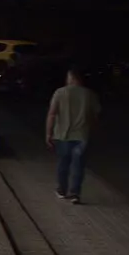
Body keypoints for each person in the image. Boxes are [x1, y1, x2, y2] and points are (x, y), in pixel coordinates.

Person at [46, 67, 101, 203]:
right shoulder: (90, 94)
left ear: (71, 77)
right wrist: (93, 131)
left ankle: (62, 190)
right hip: (82, 135)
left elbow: (52, 114)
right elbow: (95, 116)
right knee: (78, 165)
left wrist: (48, 133)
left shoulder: (60, 92)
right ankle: (75, 193)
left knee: (63, 163)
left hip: (62, 135)